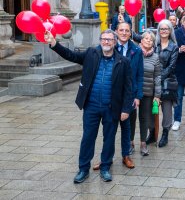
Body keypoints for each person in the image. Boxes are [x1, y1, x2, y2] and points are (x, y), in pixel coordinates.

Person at [45, 29, 133, 183]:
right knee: (87, 138)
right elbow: (70, 55)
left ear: (114, 42)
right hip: (91, 106)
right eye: (104, 39)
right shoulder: (91, 54)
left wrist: (126, 109)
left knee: (109, 139)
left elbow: (128, 88)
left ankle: (105, 167)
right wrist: (54, 43)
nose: (106, 42)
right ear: (100, 41)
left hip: (111, 107)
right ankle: (83, 169)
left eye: (109, 40)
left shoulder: (123, 61)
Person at [92, 22, 143, 171]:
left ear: (130, 33)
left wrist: (138, 96)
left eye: (127, 30)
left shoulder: (136, 50)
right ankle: (105, 158)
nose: (124, 33)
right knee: (110, 130)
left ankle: (126, 155)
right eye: (121, 30)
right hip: (111, 96)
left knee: (127, 127)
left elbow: (139, 75)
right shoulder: (107, 48)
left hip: (129, 95)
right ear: (116, 32)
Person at [137, 31, 161, 156]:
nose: (148, 41)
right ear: (141, 40)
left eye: (151, 40)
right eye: (146, 38)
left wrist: (157, 95)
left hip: (148, 92)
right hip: (134, 92)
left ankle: (143, 143)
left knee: (144, 118)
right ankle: (129, 143)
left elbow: (157, 76)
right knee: (130, 118)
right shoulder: (135, 53)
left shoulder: (155, 57)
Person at [155, 20, 178, 147]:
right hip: (152, 82)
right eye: (161, 29)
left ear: (170, 31)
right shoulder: (154, 45)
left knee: (167, 110)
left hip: (167, 83)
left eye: (166, 29)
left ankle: (165, 134)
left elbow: (171, 67)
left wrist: (158, 77)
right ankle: (152, 132)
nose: (164, 31)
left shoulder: (174, 47)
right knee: (151, 109)